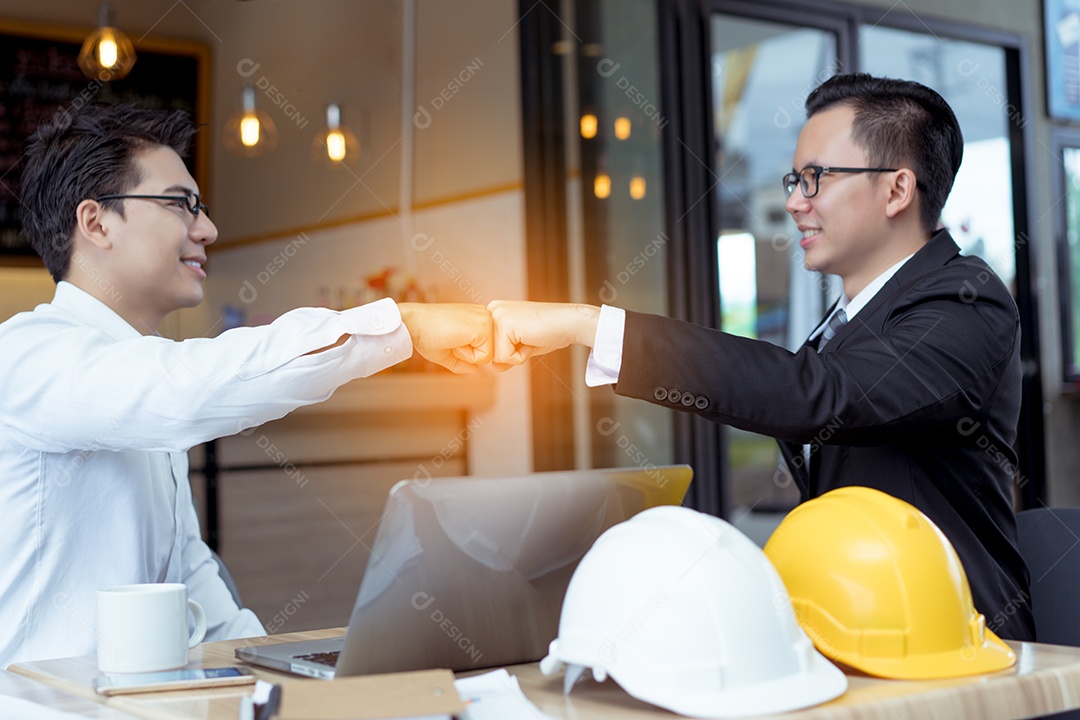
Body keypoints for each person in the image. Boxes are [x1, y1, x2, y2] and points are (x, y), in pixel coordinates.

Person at [488, 73, 1035, 641]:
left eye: (816, 178)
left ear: (897, 190)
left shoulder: (967, 301)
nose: (795, 202)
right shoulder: (845, 324)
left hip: (961, 644)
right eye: (794, 179)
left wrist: (591, 326)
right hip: (857, 631)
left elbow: (823, 395)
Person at [0, 103, 493, 666]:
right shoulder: (25, 355)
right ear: (96, 223)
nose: (206, 229)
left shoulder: (140, 377)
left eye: (201, 208)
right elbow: (178, 391)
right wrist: (405, 326)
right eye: (180, 205)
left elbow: (191, 584)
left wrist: (285, 672)